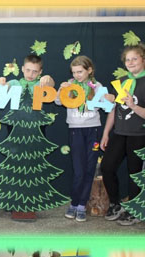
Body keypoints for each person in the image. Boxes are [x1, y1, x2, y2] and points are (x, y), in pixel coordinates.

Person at [100, 43, 145, 226]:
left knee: (135, 174)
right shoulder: (122, 82)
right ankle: (115, 203)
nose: (130, 62)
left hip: (140, 134)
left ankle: (135, 210)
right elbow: (114, 110)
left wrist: (133, 105)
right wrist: (106, 133)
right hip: (120, 132)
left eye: (134, 59)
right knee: (107, 166)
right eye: (127, 60)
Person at [0, 53, 55, 221]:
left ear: (40, 72)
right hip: (16, 130)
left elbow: (51, 85)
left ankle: (30, 201)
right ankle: (13, 200)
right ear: (22, 69)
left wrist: (49, 80)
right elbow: (0, 86)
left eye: (35, 71)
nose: (30, 74)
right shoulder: (15, 83)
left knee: (33, 165)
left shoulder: (42, 84)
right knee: (15, 164)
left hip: (36, 130)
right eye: (28, 70)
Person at [56, 56, 103, 223]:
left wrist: (107, 98)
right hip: (76, 131)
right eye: (74, 72)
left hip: (93, 131)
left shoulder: (97, 86)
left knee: (90, 168)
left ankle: (82, 205)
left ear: (89, 70)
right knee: (79, 171)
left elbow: (104, 104)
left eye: (80, 72)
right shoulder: (70, 84)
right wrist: (61, 89)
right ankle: (74, 203)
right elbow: (57, 101)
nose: (76, 75)